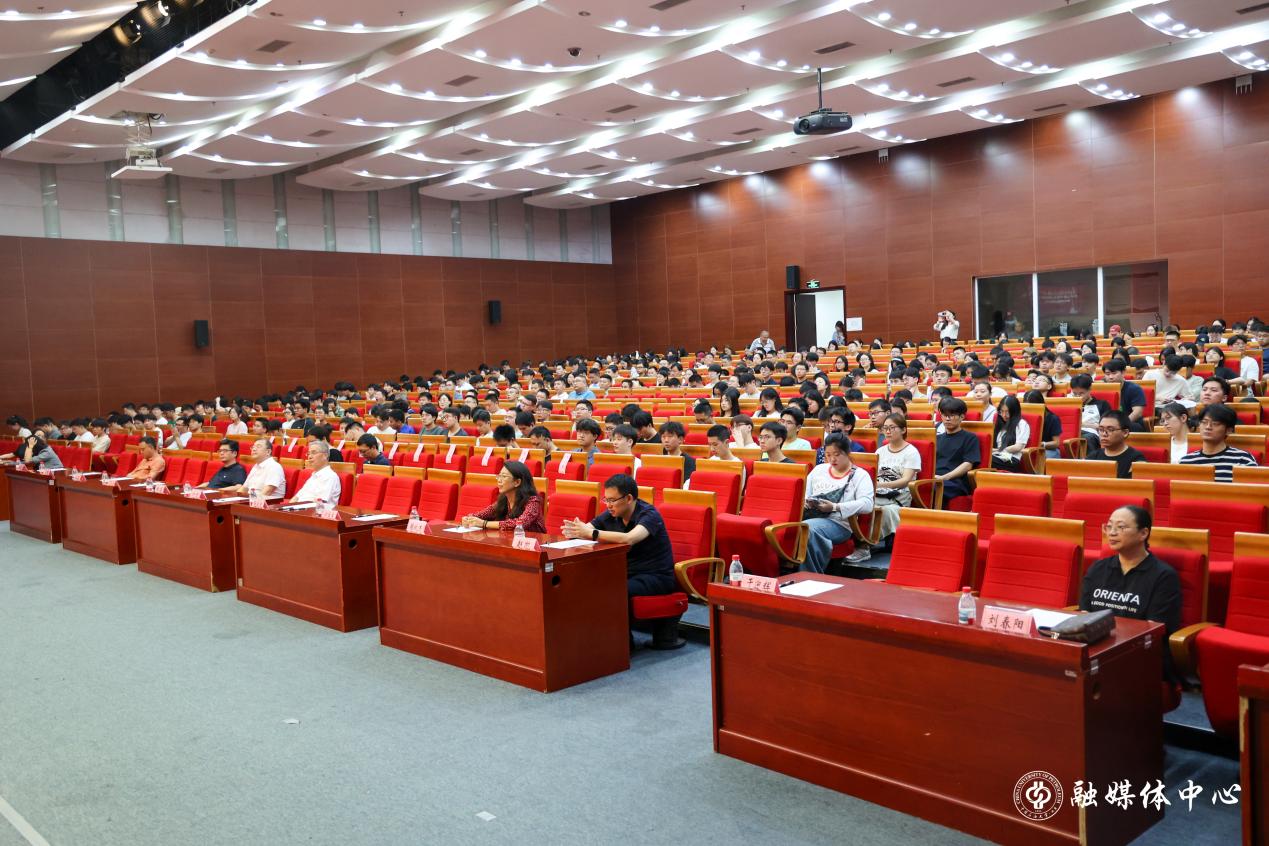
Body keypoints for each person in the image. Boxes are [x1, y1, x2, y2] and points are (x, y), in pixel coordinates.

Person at [561, 474, 681, 650]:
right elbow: (588, 528)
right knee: (586, 584)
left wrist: (591, 533)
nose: (608, 505)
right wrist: (576, 531)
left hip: (656, 577)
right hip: (627, 573)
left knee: (613, 590)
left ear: (629, 498)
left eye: (612, 500)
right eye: (606, 500)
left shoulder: (649, 514)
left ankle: (622, 645)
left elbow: (629, 539)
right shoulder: (612, 514)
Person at [1079, 505, 1181, 683]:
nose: (1112, 532)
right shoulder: (1098, 569)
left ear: (1143, 533)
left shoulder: (1163, 576)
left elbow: (1153, 630)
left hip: (1138, 655)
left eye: (1120, 527)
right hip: (1097, 649)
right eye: (1109, 526)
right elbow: (1084, 614)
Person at [801, 433, 875, 573]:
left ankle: (809, 575)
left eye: (837, 454)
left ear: (847, 452)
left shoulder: (859, 475)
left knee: (807, 528)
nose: (832, 459)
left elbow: (867, 504)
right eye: (828, 455)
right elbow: (804, 491)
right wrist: (806, 501)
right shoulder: (819, 470)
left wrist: (835, 507)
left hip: (839, 523)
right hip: (811, 515)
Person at [856, 414, 921, 562]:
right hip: (876, 494)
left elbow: (905, 481)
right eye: (885, 428)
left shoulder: (911, 452)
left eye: (892, 428)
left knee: (882, 511)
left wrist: (879, 485)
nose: (888, 431)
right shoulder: (880, 451)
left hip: (898, 498)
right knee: (857, 505)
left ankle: (864, 547)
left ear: (903, 430)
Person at [1179, 404, 1259, 482]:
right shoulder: (1186, 461)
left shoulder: (1243, 460)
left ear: (1229, 430)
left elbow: (1252, 489)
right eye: (1204, 422)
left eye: (1215, 423)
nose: (1208, 427)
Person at [460, 461, 546, 532]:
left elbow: (519, 524)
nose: (499, 480)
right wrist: (469, 518)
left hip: (533, 543)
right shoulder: (504, 499)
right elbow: (482, 514)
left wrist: (484, 523)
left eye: (504, 476)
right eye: (499, 476)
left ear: (517, 482)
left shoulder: (533, 501)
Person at [934, 398, 980, 508]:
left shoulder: (970, 438)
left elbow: (968, 464)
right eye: (944, 415)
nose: (947, 419)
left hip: (955, 482)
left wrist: (945, 477)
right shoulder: (937, 438)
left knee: (931, 487)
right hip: (934, 478)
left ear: (962, 416)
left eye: (952, 415)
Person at [1086, 410, 1147, 479]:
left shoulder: (1136, 459)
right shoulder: (1093, 457)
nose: (1104, 434)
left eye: (1110, 430)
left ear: (1125, 433)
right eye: (1101, 429)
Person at [289, 442, 341, 506]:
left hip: (314, 510)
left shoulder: (330, 476)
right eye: (308, 454)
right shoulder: (314, 475)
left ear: (325, 455)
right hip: (300, 508)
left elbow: (319, 503)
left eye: (314, 453)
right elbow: (297, 497)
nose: (309, 457)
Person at [1101, 359, 1146, 430]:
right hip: (1106, 424)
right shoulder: (1102, 389)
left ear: (1123, 372)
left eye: (1114, 373)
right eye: (1107, 374)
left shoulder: (1134, 388)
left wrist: (1121, 425)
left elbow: (1138, 412)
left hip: (1129, 423)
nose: (1110, 377)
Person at [990, 396, 1031, 470]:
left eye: (1007, 412)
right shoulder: (1000, 423)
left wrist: (998, 450)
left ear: (1014, 411)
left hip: (1011, 459)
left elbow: (1018, 447)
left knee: (987, 459)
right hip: (998, 456)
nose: (1004, 415)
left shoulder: (1021, 424)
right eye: (1001, 411)